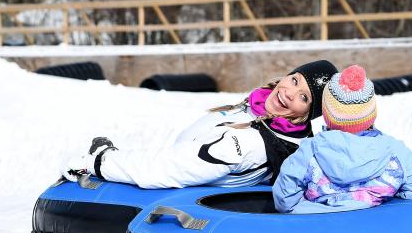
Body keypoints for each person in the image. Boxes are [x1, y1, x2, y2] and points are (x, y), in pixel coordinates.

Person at [61, 59, 338, 189]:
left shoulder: (248, 144)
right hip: (185, 162)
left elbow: (170, 168)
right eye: (294, 80)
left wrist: (100, 162)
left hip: (181, 181)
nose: (290, 92)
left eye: (303, 96)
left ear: (308, 112)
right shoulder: (262, 111)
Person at [272, 64, 412, 214]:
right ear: (371, 114)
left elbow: (284, 198)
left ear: (327, 114)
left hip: (319, 230)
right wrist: (387, 205)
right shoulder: (393, 151)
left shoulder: (310, 151)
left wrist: (310, 209)